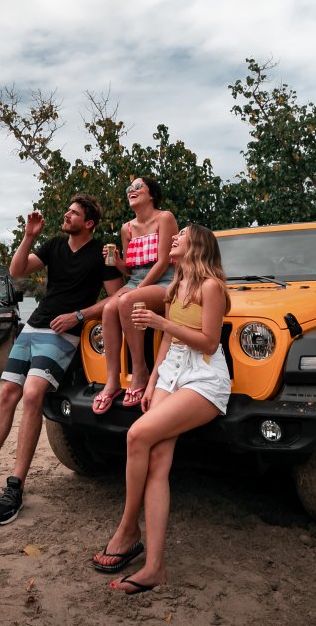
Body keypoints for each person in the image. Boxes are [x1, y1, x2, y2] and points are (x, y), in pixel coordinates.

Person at [0, 194, 123, 526]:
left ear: (88, 223)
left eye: (73, 213)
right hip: (34, 327)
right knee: (7, 395)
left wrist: (79, 315)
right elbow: (17, 272)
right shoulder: (54, 245)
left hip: (62, 333)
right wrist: (29, 236)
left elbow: (118, 297)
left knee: (32, 394)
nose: (66, 215)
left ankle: (16, 485)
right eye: (68, 211)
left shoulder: (101, 254)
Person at [90, 225, 231, 594]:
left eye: (180, 235)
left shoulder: (211, 286)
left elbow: (210, 341)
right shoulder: (173, 287)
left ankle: (127, 527)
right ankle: (154, 567)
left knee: (137, 435)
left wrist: (159, 321)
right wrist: (152, 383)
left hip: (203, 377)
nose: (173, 239)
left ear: (197, 244)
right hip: (169, 374)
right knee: (156, 462)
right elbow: (167, 341)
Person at [92, 176, 178, 414]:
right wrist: (119, 262)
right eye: (129, 187)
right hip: (137, 280)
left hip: (165, 281)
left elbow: (162, 262)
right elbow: (130, 270)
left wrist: (137, 290)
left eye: (138, 186)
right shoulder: (127, 228)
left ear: (152, 195)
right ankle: (113, 380)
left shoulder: (165, 218)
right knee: (109, 308)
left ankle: (140, 372)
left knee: (126, 301)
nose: (132, 189)